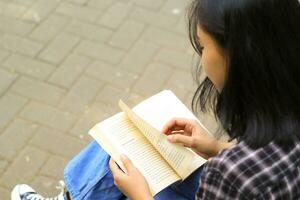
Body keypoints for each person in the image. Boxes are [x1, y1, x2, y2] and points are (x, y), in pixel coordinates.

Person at [11, 0, 300, 199]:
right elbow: (275, 162)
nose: (201, 57)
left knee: (125, 159)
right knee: (137, 137)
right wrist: (217, 148)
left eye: (203, 45)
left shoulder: (230, 175)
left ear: (238, 58)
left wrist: (140, 195)